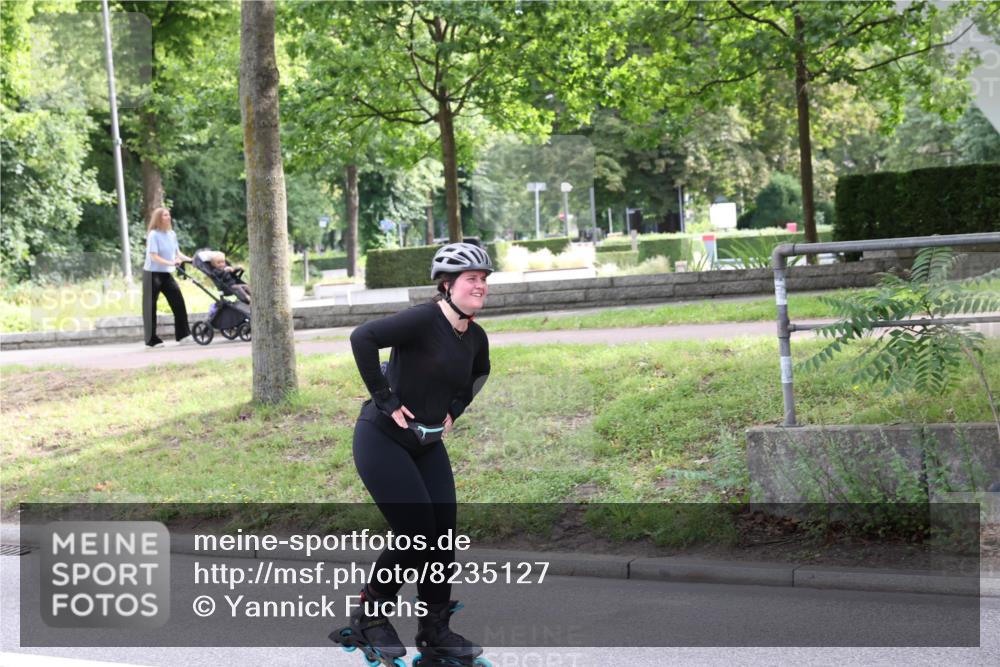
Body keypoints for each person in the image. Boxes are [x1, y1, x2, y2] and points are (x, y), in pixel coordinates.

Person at [331, 243, 492, 667]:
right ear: (447, 285)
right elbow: (362, 338)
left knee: (443, 532)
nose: (480, 285)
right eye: (471, 279)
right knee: (416, 528)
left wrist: (455, 411)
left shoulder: (474, 337)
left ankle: (434, 629)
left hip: (427, 444)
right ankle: (369, 615)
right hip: (381, 438)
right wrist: (384, 398)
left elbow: (480, 373)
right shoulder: (423, 319)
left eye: (483, 279)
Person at [142, 207, 193, 347]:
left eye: (169, 215)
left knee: (178, 302)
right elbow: (153, 256)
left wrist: (192, 260)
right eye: (165, 215)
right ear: (159, 218)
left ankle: (183, 335)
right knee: (150, 307)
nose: (168, 217)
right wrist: (171, 263)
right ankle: (151, 340)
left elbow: (178, 254)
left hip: (166, 274)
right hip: (152, 274)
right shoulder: (153, 235)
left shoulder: (172, 234)